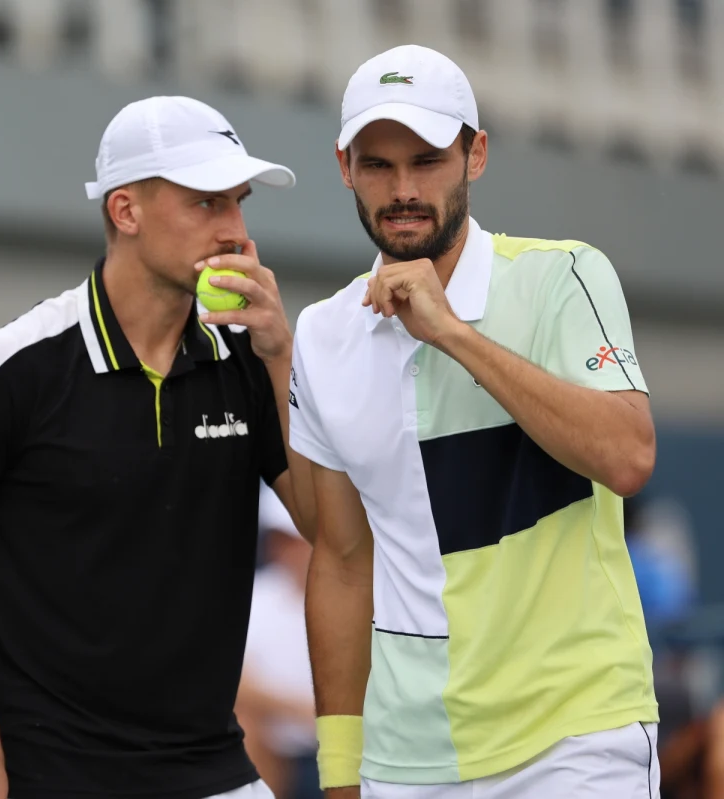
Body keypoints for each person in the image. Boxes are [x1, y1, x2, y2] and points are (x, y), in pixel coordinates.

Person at [0, 95, 315, 799]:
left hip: (216, 770)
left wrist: (281, 355)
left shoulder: (251, 359)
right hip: (49, 778)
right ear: (125, 210)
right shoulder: (14, 365)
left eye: (238, 202)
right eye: (205, 202)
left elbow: (327, 528)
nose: (234, 229)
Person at [289, 45, 659, 798]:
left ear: (475, 155)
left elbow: (627, 455)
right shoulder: (322, 334)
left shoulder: (567, 275)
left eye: (427, 159)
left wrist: (452, 332)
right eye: (377, 165)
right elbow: (341, 563)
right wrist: (340, 769)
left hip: (576, 738)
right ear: (343, 166)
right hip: (402, 760)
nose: (402, 189)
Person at [235, 484, 316, 799]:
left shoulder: (370, 596)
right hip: (279, 754)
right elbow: (232, 684)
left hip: (356, 748)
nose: (288, 550)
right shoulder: (254, 598)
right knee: (243, 724)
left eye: (296, 540)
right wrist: (302, 711)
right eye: (282, 540)